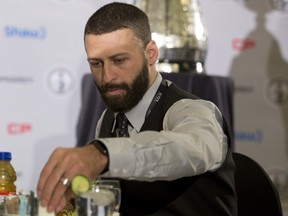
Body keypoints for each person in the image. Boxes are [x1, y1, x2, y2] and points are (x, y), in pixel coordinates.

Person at [37, 2, 237, 215]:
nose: (107, 77)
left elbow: (188, 149)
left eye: (119, 60)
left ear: (150, 53)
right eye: (96, 64)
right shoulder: (107, 120)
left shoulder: (194, 111)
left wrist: (103, 154)